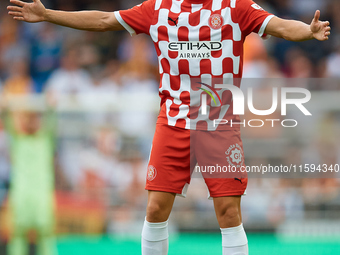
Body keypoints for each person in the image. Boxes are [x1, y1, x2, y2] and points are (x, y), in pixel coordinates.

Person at [7, 0, 331, 255]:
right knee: (156, 208)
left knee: (229, 212)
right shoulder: (158, 9)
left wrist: (307, 30)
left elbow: (279, 26)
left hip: (218, 124)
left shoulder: (236, 7)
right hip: (173, 122)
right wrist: (48, 15)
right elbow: (105, 20)